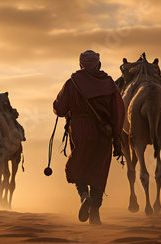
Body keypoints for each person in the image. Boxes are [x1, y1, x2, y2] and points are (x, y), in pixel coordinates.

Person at [53, 50, 125, 225]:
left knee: (79, 164)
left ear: (80, 64)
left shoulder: (72, 83)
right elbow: (118, 112)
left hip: (79, 128)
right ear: (98, 64)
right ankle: (95, 213)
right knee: (98, 169)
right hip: (102, 131)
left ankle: (84, 195)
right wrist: (115, 136)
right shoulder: (108, 83)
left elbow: (60, 109)